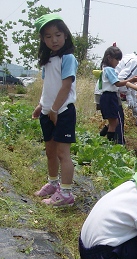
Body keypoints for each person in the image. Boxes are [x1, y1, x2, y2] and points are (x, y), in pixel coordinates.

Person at [31, 13, 78, 206]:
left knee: (62, 153)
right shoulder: (48, 59)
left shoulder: (68, 58)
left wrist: (55, 109)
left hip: (63, 111)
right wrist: (41, 106)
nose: (54, 40)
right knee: (50, 151)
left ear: (65, 35)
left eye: (57, 35)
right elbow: (49, 86)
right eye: (48, 36)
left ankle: (66, 194)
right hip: (48, 111)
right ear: (43, 40)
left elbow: (66, 86)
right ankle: (52, 183)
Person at [98, 46, 137, 144]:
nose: (118, 62)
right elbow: (117, 83)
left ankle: (101, 136)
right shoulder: (109, 70)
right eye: (117, 59)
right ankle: (110, 143)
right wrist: (131, 80)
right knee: (113, 123)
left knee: (114, 122)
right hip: (109, 97)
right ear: (109, 58)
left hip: (107, 97)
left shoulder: (105, 69)